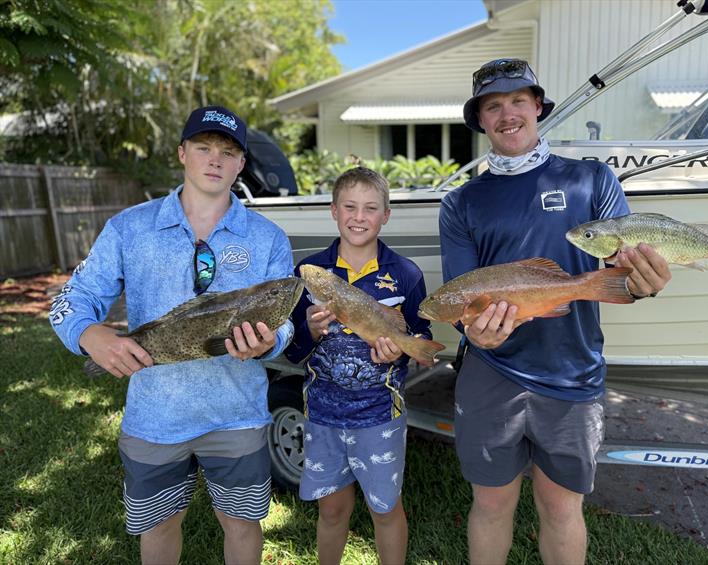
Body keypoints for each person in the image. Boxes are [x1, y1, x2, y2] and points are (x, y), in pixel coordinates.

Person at [440, 59, 672, 564]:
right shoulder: (461, 202)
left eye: (518, 101)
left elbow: (623, 274)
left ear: (538, 106)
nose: (507, 115)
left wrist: (643, 283)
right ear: (479, 119)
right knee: (491, 503)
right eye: (493, 105)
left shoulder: (592, 179)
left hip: (572, 369)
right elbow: (462, 299)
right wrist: (475, 333)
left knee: (562, 507)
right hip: (491, 372)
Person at [49, 105, 294, 565]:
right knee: (159, 525)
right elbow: (71, 299)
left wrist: (271, 341)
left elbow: (284, 322)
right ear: (182, 153)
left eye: (228, 152)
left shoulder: (268, 238)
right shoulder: (129, 228)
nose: (215, 160)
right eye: (203, 148)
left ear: (242, 164)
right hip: (155, 417)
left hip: (238, 415)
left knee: (242, 524)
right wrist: (90, 335)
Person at [284, 167, 434, 565]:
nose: (358, 217)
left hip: (380, 416)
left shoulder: (405, 274)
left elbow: (419, 336)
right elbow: (293, 352)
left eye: (370, 208)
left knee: (385, 510)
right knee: (332, 510)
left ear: (386, 215)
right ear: (334, 211)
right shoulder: (310, 273)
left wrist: (400, 351)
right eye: (349, 207)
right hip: (323, 417)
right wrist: (311, 331)